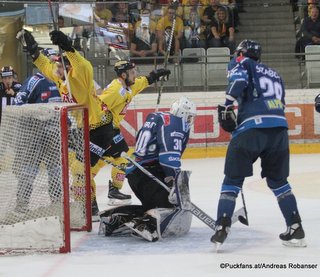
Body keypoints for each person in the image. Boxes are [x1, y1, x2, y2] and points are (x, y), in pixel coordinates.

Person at [211, 39, 306, 248]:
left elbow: (238, 82)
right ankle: (296, 227)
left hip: (251, 130)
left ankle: (222, 228)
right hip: (279, 130)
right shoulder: (276, 74)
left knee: (232, 181)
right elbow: (279, 103)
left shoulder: (242, 63)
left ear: (241, 53)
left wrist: (228, 105)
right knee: (279, 182)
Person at [18, 29, 114, 219]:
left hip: (100, 129)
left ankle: (88, 208)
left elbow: (84, 65)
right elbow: (46, 67)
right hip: (83, 130)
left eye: (59, 66)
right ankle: (90, 206)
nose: (55, 69)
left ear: (68, 67)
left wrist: (69, 47)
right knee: (78, 170)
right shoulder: (61, 79)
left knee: (80, 170)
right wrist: (34, 51)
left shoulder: (80, 78)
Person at [98, 96, 197, 242]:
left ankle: (114, 217)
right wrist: (174, 182)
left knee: (153, 206)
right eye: (189, 116)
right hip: (150, 174)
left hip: (137, 174)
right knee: (172, 209)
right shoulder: (176, 123)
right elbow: (168, 160)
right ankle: (146, 223)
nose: (189, 121)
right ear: (182, 113)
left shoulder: (158, 117)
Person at [92, 60, 171, 206]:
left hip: (111, 131)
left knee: (111, 160)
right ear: (123, 75)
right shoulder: (116, 90)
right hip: (103, 131)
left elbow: (141, 82)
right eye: (133, 73)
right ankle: (106, 193)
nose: (135, 75)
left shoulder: (128, 87)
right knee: (115, 161)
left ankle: (106, 188)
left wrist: (155, 75)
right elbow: (97, 108)